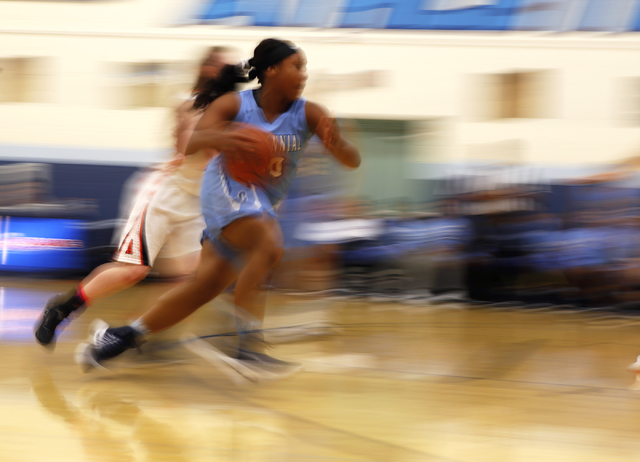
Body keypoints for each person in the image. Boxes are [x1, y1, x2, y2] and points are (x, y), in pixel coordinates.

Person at [75, 38, 361, 380]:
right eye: (296, 67)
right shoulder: (233, 104)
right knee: (268, 243)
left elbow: (351, 160)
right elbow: (192, 142)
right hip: (224, 189)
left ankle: (115, 340)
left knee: (202, 288)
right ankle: (245, 348)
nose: (303, 75)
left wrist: (337, 141)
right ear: (271, 70)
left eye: (305, 68)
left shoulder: (309, 113)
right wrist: (225, 137)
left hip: (258, 201)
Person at [34, 46, 235, 348]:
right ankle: (62, 308)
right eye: (222, 69)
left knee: (187, 277)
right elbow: (187, 144)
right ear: (208, 72)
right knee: (133, 270)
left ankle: (133, 334)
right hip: (164, 193)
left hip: (194, 201)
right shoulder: (188, 102)